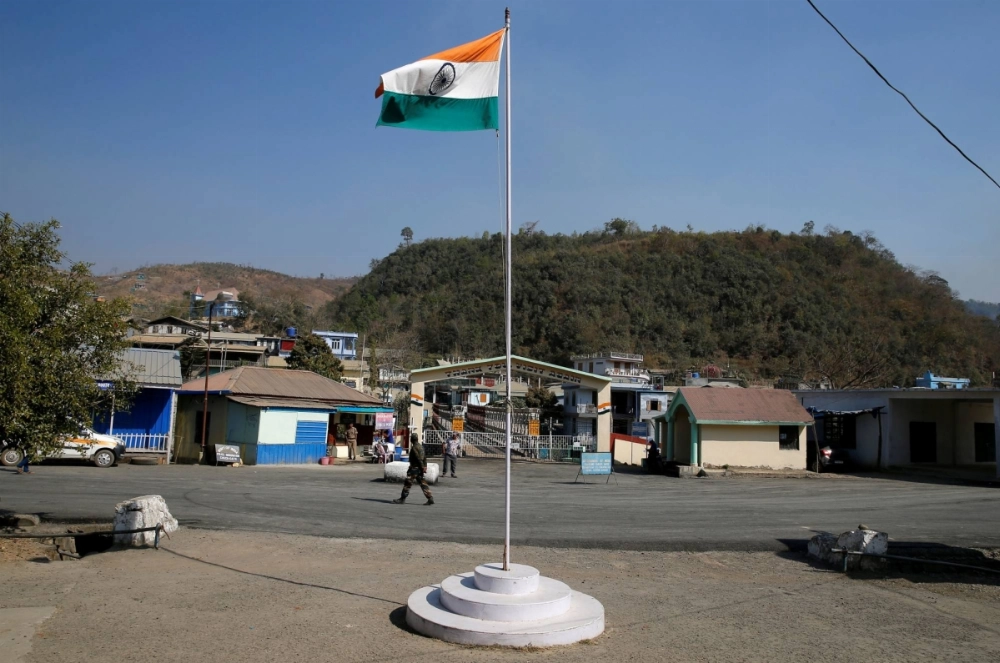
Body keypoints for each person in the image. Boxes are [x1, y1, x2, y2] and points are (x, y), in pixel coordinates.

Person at [392, 433, 434, 505]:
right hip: (420, 469)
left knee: (408, 483)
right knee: (423, 483)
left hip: (414, 469)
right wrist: (424, 466)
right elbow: (424, 458)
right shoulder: (421, 447)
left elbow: (418, 458)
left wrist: (422, 466)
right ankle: (430, 498)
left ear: (412, 439)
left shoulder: (414, 447)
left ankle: (402, 498)